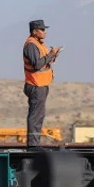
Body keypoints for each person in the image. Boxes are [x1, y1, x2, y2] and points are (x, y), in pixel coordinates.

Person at [22, 19, 63, 147]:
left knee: (39, 115)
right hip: (36, 85)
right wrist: (51, 54)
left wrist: (53, 56)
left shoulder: (38, 44)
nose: (45, 32)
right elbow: (37, 64)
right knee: (35, 116)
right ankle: (33, 145)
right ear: (34, 32)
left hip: (40, 84)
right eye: (42, 30)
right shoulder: (31, 45)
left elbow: (43, 62)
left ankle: (35, 143)